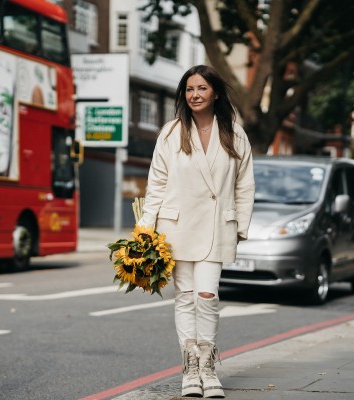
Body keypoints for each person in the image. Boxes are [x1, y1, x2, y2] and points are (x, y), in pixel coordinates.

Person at [138, 65, 255, 398]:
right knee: (185, 298)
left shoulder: (234, 133)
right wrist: (146, 228)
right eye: (189, 89)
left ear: (215, 93)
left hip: (216, 229)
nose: (195, 95)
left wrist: (240, 225)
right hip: (175, 227)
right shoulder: (171, 133)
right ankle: (191, 368)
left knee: (208, 296)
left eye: (202, 88)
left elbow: (244, 184)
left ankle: (208, 365)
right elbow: (156, 183)